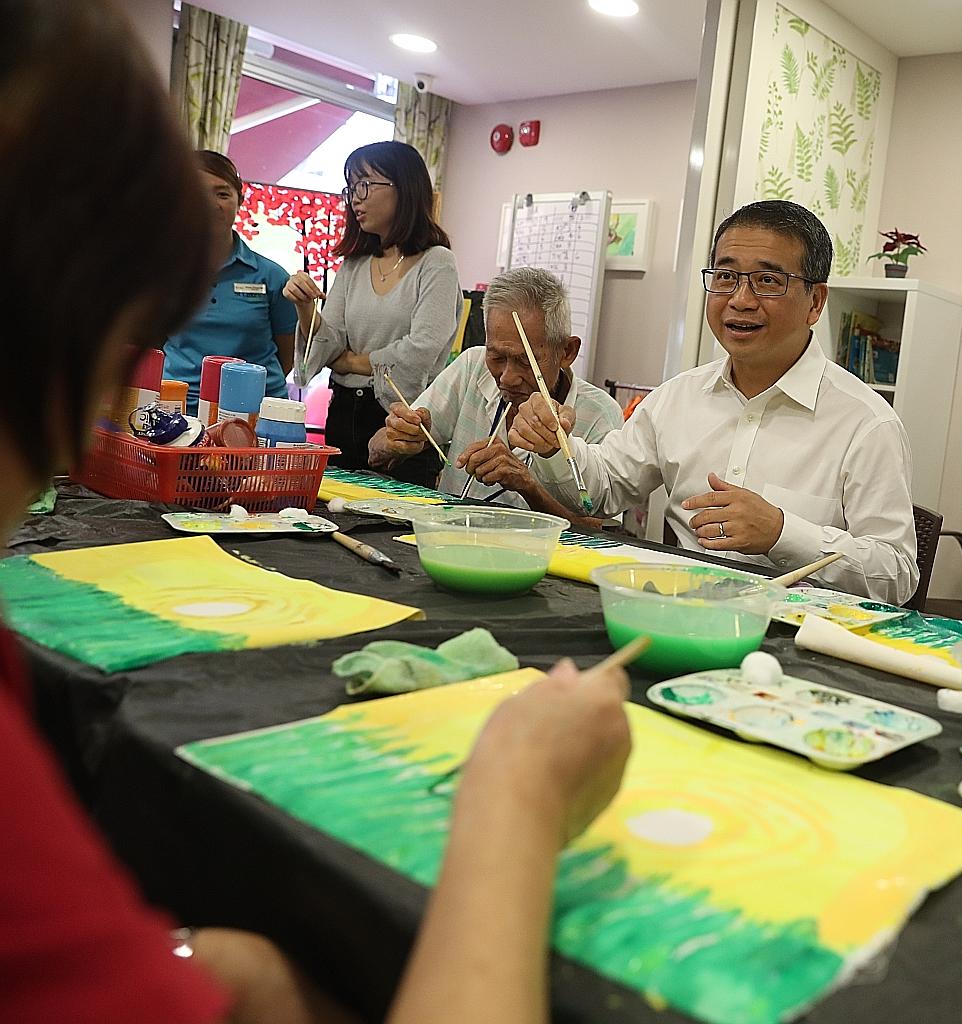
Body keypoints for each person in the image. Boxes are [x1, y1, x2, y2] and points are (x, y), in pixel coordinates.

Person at [0, 4, 632, 1021]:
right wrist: (515, 791)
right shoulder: (458, 361)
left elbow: (605, 511)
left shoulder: (586, 409)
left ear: (563, 353)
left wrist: (538, 474)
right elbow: (373, 389)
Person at [506, 201, 919, 604]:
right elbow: (601, 490)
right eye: (725, 277)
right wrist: (554, 445)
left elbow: (896, 575)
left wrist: (781, 532)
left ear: (815, 302)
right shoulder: (678, 396)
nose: (740, 299)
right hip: (679, 613)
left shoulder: (867, 423)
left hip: (798, 644)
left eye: (768, 281)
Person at [368, 267, 623, 516]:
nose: (508, 378)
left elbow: (595, 531)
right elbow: (376, 451)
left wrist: (528, 486)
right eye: (496, 356)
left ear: (567, 351)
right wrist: (397, 439)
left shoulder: (599, 413)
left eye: (526, 362)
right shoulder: (472, 367)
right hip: (450, 540)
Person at [283, 141, 460, 488]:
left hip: (398, 422)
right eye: (350, 188)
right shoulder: (354, 264)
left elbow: (422, 349)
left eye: (364, 185)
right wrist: (305, 308)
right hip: (343, 413)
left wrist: (349, 363)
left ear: (404, 187)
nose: (355, 199)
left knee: (392, 530)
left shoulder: (436, 262)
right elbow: (328, 341)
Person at [163, 151, 298, 408]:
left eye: (223, 194)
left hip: (256, 411)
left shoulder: (272, 276)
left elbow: (287, 355)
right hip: (179, 410)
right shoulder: (162, 273)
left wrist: (248, 385)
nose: (213, 204)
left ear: (240, 201)